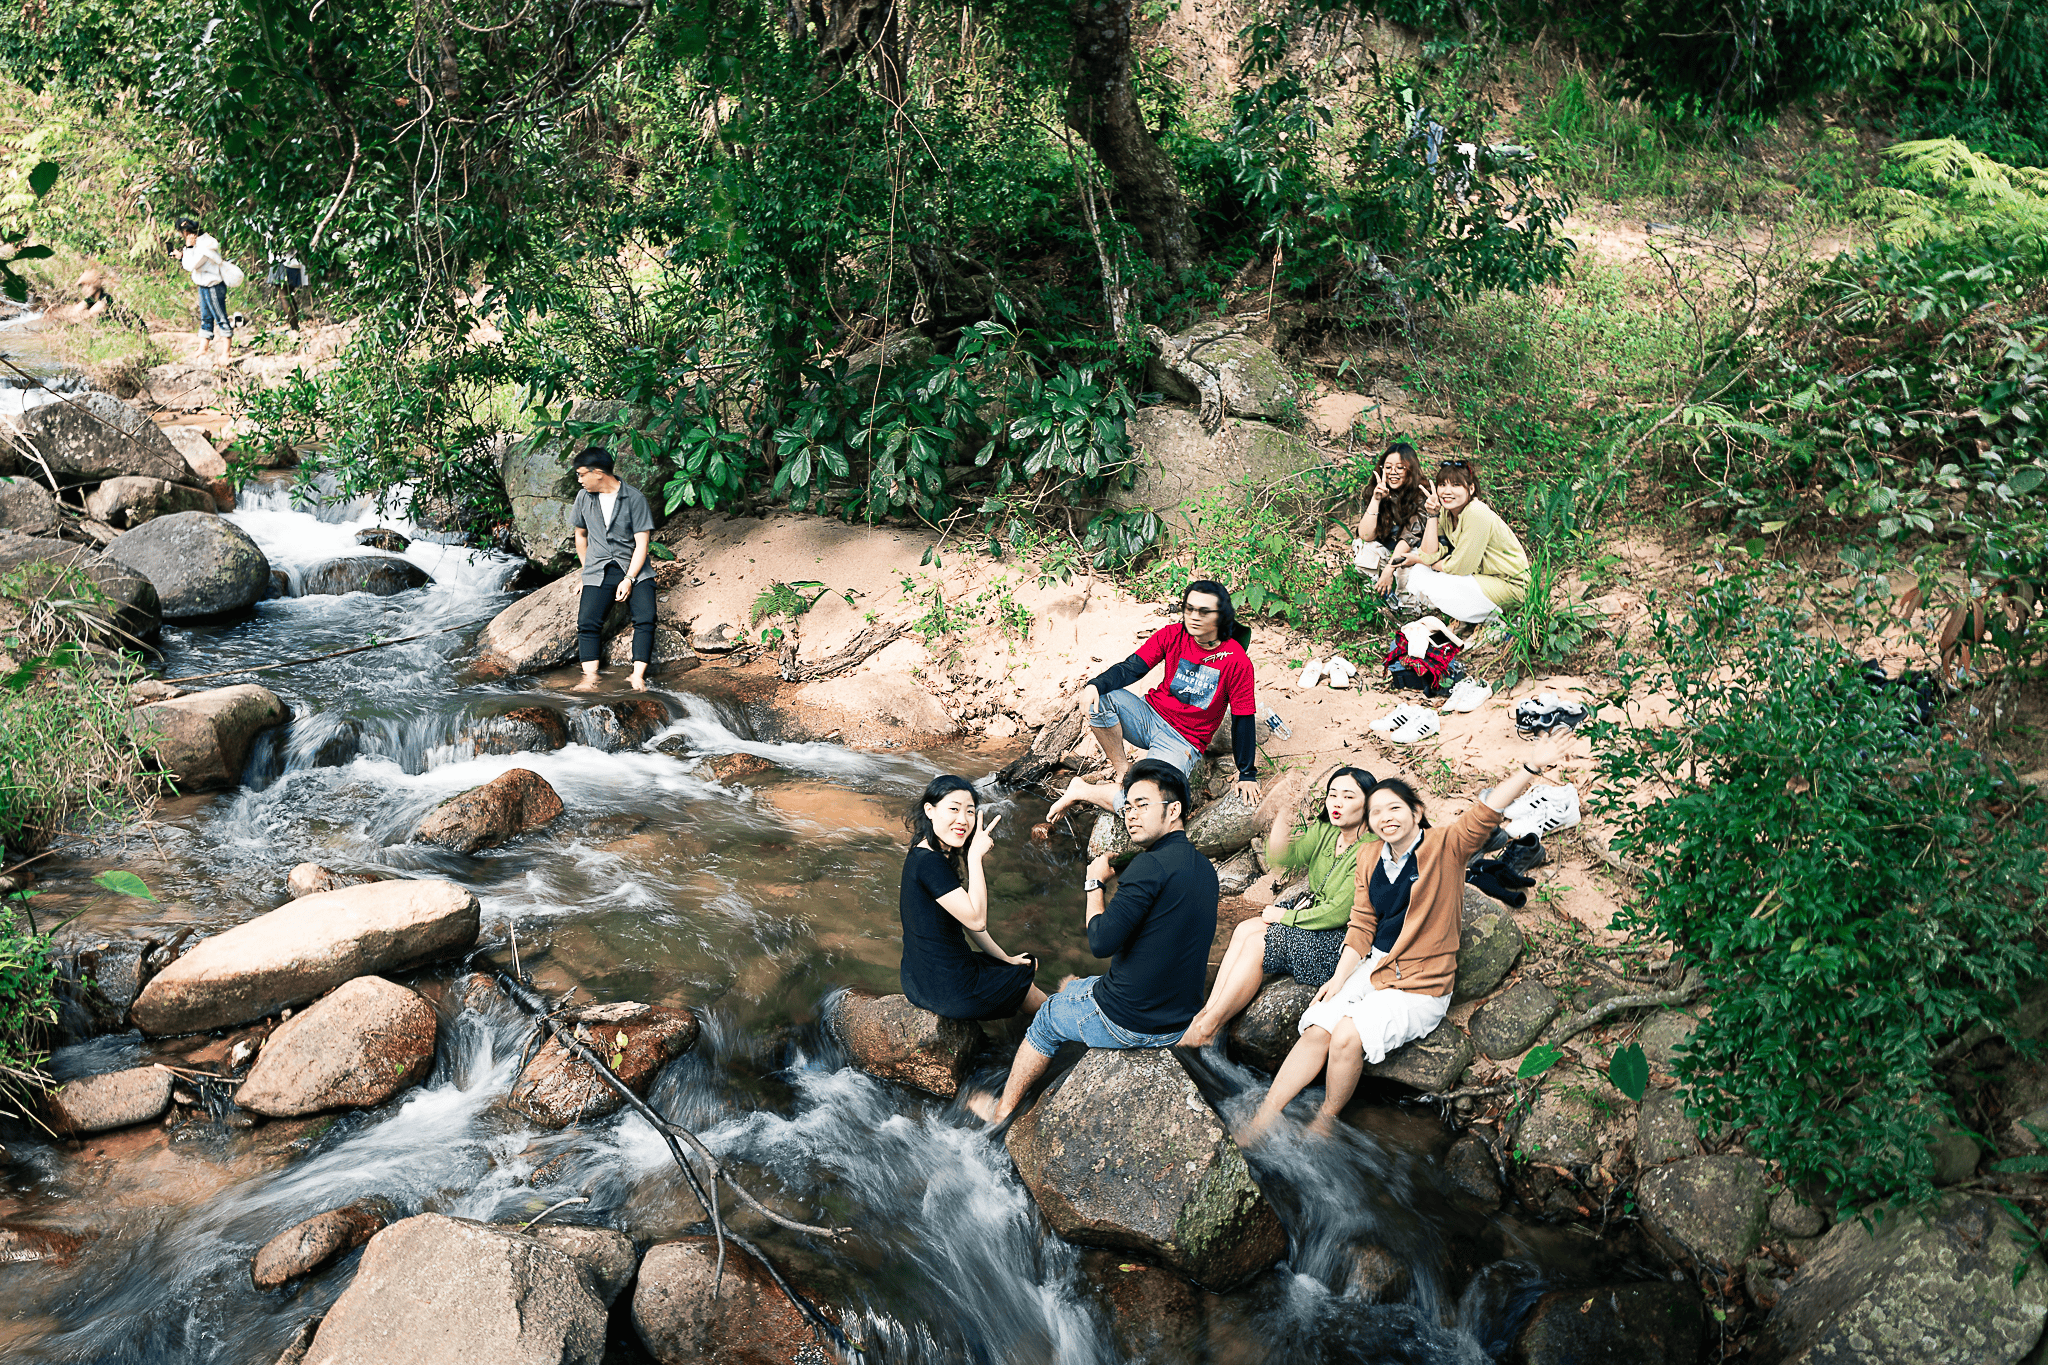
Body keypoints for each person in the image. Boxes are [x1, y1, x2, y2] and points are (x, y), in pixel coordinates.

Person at [1241, 738, 1572, 1142]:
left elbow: (1485, 813)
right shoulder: (1369, 857)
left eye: (1394, 807)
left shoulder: (1445, 847)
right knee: (1318, 1028)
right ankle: (1263, 1117)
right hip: (1375, 966)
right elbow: (1362, 924)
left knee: (1346, 1034)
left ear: (1416, 812)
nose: (1385, 817)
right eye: (1376, 811)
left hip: (1421, 984)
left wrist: (1530, 768)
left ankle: (1325, 1119)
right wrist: (1338, 979)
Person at [969, 760, 1217, 1123]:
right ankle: (1074, 995)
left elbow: (1100, 943)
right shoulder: (1204, 868)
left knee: (1048, 1017)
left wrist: (1094, 883)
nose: (1131, 815)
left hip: (1132, 1021)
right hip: (1179, 1019)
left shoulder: (1149, 867)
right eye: (1127, 807)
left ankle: (1002, 1110)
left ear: (1174, 809)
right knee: (1072, 986)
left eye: (1142, 805)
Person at [1178, 766, 1375, 1049]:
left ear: (1368, 803)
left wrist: (1286, 916)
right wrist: (1284, 811)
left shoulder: (1369, 848)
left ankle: (1208, 1029)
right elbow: (1283, 857)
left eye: (1348, 796)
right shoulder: (1328, 830)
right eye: (1333, 795)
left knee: (1258, 943)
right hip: (1312, 918)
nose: (1337, 803)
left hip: (1340, 940)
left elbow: (1338, 912)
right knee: (1245, 929)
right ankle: (1207, 1013)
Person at [1044, 581, 1260, 825]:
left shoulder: (1236, 661)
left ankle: (1082, 791)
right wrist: (1095, 684)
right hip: (1148, 715)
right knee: (1101, 697)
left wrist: (1247, 774)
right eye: (1189, 609)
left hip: (1182, 740)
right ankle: (1123, 771)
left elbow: (1243, 718)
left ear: (1221, 616)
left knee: (1151, 806)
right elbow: (1132, 668)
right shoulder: (1173, 634)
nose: (1193, 617)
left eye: (1204, 611)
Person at [899, 776, 1046, 1023]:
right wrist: (975, 857)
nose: (963, 820)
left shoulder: (922, 852)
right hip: (951, 990)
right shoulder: (931, 863)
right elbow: (977, 920)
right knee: (1027, 983)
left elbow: (965, 917)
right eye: (954, 809)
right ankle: (1062, 1029)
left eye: (969, 811)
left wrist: (1004, 958)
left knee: (1013, 969)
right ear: (930, 810)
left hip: (919, 980)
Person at [1387, 460, 1530, 625]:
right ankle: (1477, 618)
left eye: (1456, 485)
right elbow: (1428, 555)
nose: (1447, 491)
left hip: (1511, 585)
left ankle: (1495, 621)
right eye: (1442, 485)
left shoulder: (1476, 512)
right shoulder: (1446, 513)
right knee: (1420, 573)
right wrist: (1432, 515)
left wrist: (1428, 563)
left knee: (1439, 582)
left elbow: (1461, 567)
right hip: (1484, 578)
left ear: (1471, 488)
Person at [568, 446, 658, 692]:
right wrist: (587, 572)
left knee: (646, 618)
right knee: (587, 622)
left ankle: (637, 676)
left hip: (634, 567)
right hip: (599, 568)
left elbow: (642, 544)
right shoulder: (583, 497)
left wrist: (629, 579)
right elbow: (580, 535)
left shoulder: (634, 498)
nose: (579, 480)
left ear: (598, 473)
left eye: (581, 474)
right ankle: (590, 678)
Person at [1355, 444, 1428, 596]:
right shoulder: (1375, 490)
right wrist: (1376, 499)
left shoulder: (1421, 494)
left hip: (1412, 552)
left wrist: (1389, 569)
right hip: (1388, 549)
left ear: (1410, 469)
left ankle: (1405, 602)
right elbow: (1365, 535)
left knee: (1406, 574)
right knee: (1364, 546)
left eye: (1400, 467)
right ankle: (1372, 595)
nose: (1393, 472)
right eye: (1388, 467)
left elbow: (1409, 537)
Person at [171, 218, 233, 362]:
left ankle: (227, 352)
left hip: (213, 286)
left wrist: (189, 248)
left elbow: (191, 265)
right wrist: (182, 255)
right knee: (206, 318)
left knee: (220, 317)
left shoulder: (206, 245)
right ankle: (203, 348)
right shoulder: (199, 243)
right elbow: (192, 262)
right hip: (204, 285)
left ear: (186, 233)